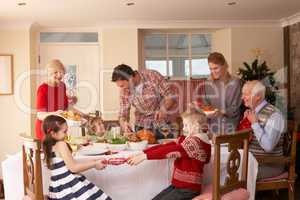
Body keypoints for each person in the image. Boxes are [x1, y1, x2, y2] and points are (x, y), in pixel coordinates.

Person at [127, 111, 211, 200]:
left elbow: (169, 151)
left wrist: (145, 157)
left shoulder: (195, 143)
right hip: (178, 186)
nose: (184, 128)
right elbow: (167, 146)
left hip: (187, 189)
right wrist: (144, 152)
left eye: (186, 125)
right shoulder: (188, 139)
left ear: (196, 126)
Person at [42, 115, 111, 200]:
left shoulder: (48, 146)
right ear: (53, 133)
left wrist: (94, 161)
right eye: (65, 131)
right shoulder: (61, 145)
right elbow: (73, 168)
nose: (66, 134)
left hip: (58, 190)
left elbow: (70, 164)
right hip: (69, 188)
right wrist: (94, 164)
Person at [111, 64, 177, 139]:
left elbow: (170, 96)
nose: (122, 88)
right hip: (141, 126)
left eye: (122, 85)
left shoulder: (152, 76)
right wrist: (124, 125)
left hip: (163, 124)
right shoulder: (124, 90)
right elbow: (123, 114)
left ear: (130, 78)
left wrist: (163, 109)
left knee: (166, 149)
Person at [241, 80, 285, 180]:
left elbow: (268, 147)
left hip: (269, 165)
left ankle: (246, 196)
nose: (242, 97)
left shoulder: (274, 115)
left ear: (258, 96)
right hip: (252, 162)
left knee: (234, 175)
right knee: (224, 168)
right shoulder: (251, 113)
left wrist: (255, 124)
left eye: (246, 94)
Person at [35, 59, 83, 140]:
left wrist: (83, 115)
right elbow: (40, 115)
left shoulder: (62, 86)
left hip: (59, 128)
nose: (59, 75)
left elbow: (67, 108)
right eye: (56, 72)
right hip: (46, 129)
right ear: (49, 73)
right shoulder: (42, 89)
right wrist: (55, 114)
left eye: (61, 72)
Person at [198, 52, 242, 135]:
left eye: (216, 68)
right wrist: (200, 108)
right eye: (211, 69)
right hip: (212, 129)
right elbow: (206, 105)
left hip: (229, 129)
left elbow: (234, 109)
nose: (213, 71)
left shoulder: (235, 83)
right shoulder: (208, 83)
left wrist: (220, 112)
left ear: (224, 66)